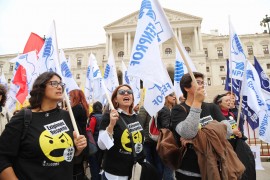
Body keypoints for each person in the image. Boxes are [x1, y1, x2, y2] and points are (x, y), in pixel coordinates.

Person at [0, 72, 87, 180]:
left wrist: (78, 148)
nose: (59, 87)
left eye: (61, 84)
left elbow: (69, 155)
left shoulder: (68, 116)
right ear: (41, 87)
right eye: (54, 83)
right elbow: (2, 158)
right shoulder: (23, 118)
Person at [171, 72, 232, 180]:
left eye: (203, 83)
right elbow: (188, 132)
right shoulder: (178, 109)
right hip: (188, 170)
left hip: (214, 168)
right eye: (198, 82)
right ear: (186, 88)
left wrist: (197, 139)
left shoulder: (212, 107)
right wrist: (197, 103)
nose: (202, 85)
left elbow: (227, 132)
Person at [97, 84, 146, 180]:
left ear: (132, 97)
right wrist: (111, 125)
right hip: (116, 174)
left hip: (135, 171)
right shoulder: (109, 117)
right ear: (115, 99)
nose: (126, 93)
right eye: (122, 92)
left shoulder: (137, 117)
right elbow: (101, 145)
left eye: (129, 92)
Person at [213, 93, 256, 180]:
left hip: (235, 145)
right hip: (224, 146)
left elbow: (236, 128)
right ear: (219, 103)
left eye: (230, 100)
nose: (230, 102)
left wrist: (239, 133)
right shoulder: (216, 116)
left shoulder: (232, 114)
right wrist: (231, 132)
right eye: (227, 100)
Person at [69, 89, 89, 180]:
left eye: (70, 96)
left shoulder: (76, 108)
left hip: (78, 137)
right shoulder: (83, 107)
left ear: (75, 97)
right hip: (83, 136)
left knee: (76, 164)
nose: (69, 99)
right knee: (80, 164)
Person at [156, 92, 177, 180]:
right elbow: (166, 126)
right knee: (169, 166)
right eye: (171, 95)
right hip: (167, 142)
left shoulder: (170, 108)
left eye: (174, 95)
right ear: (166, 97)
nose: (174, 97)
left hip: (167, 141)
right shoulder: (165, 109)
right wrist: (177, 121)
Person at [87, 101, 103, 180]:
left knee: (94, 163)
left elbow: (90, 131)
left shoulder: (93, 118)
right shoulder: (104, 116)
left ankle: (95, 178)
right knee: (99, 162)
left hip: (94, 143)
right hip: (102, 142)